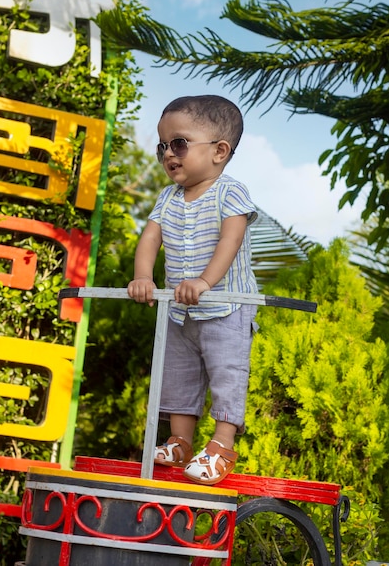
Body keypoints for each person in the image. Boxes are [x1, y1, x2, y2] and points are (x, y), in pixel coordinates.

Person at [127, 94, 258, 485]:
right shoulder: (167, 198)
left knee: (226, 373)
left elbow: (230, 241)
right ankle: (180, 441)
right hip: (181, 311)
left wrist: (204, 282)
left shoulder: (229, 192)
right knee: (178, 375)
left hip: (226, 309)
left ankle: (221, 445)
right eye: (162, 146)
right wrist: (143, 277)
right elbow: (150, 239)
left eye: (179, 143)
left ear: (219, 151)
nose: (169, 153)